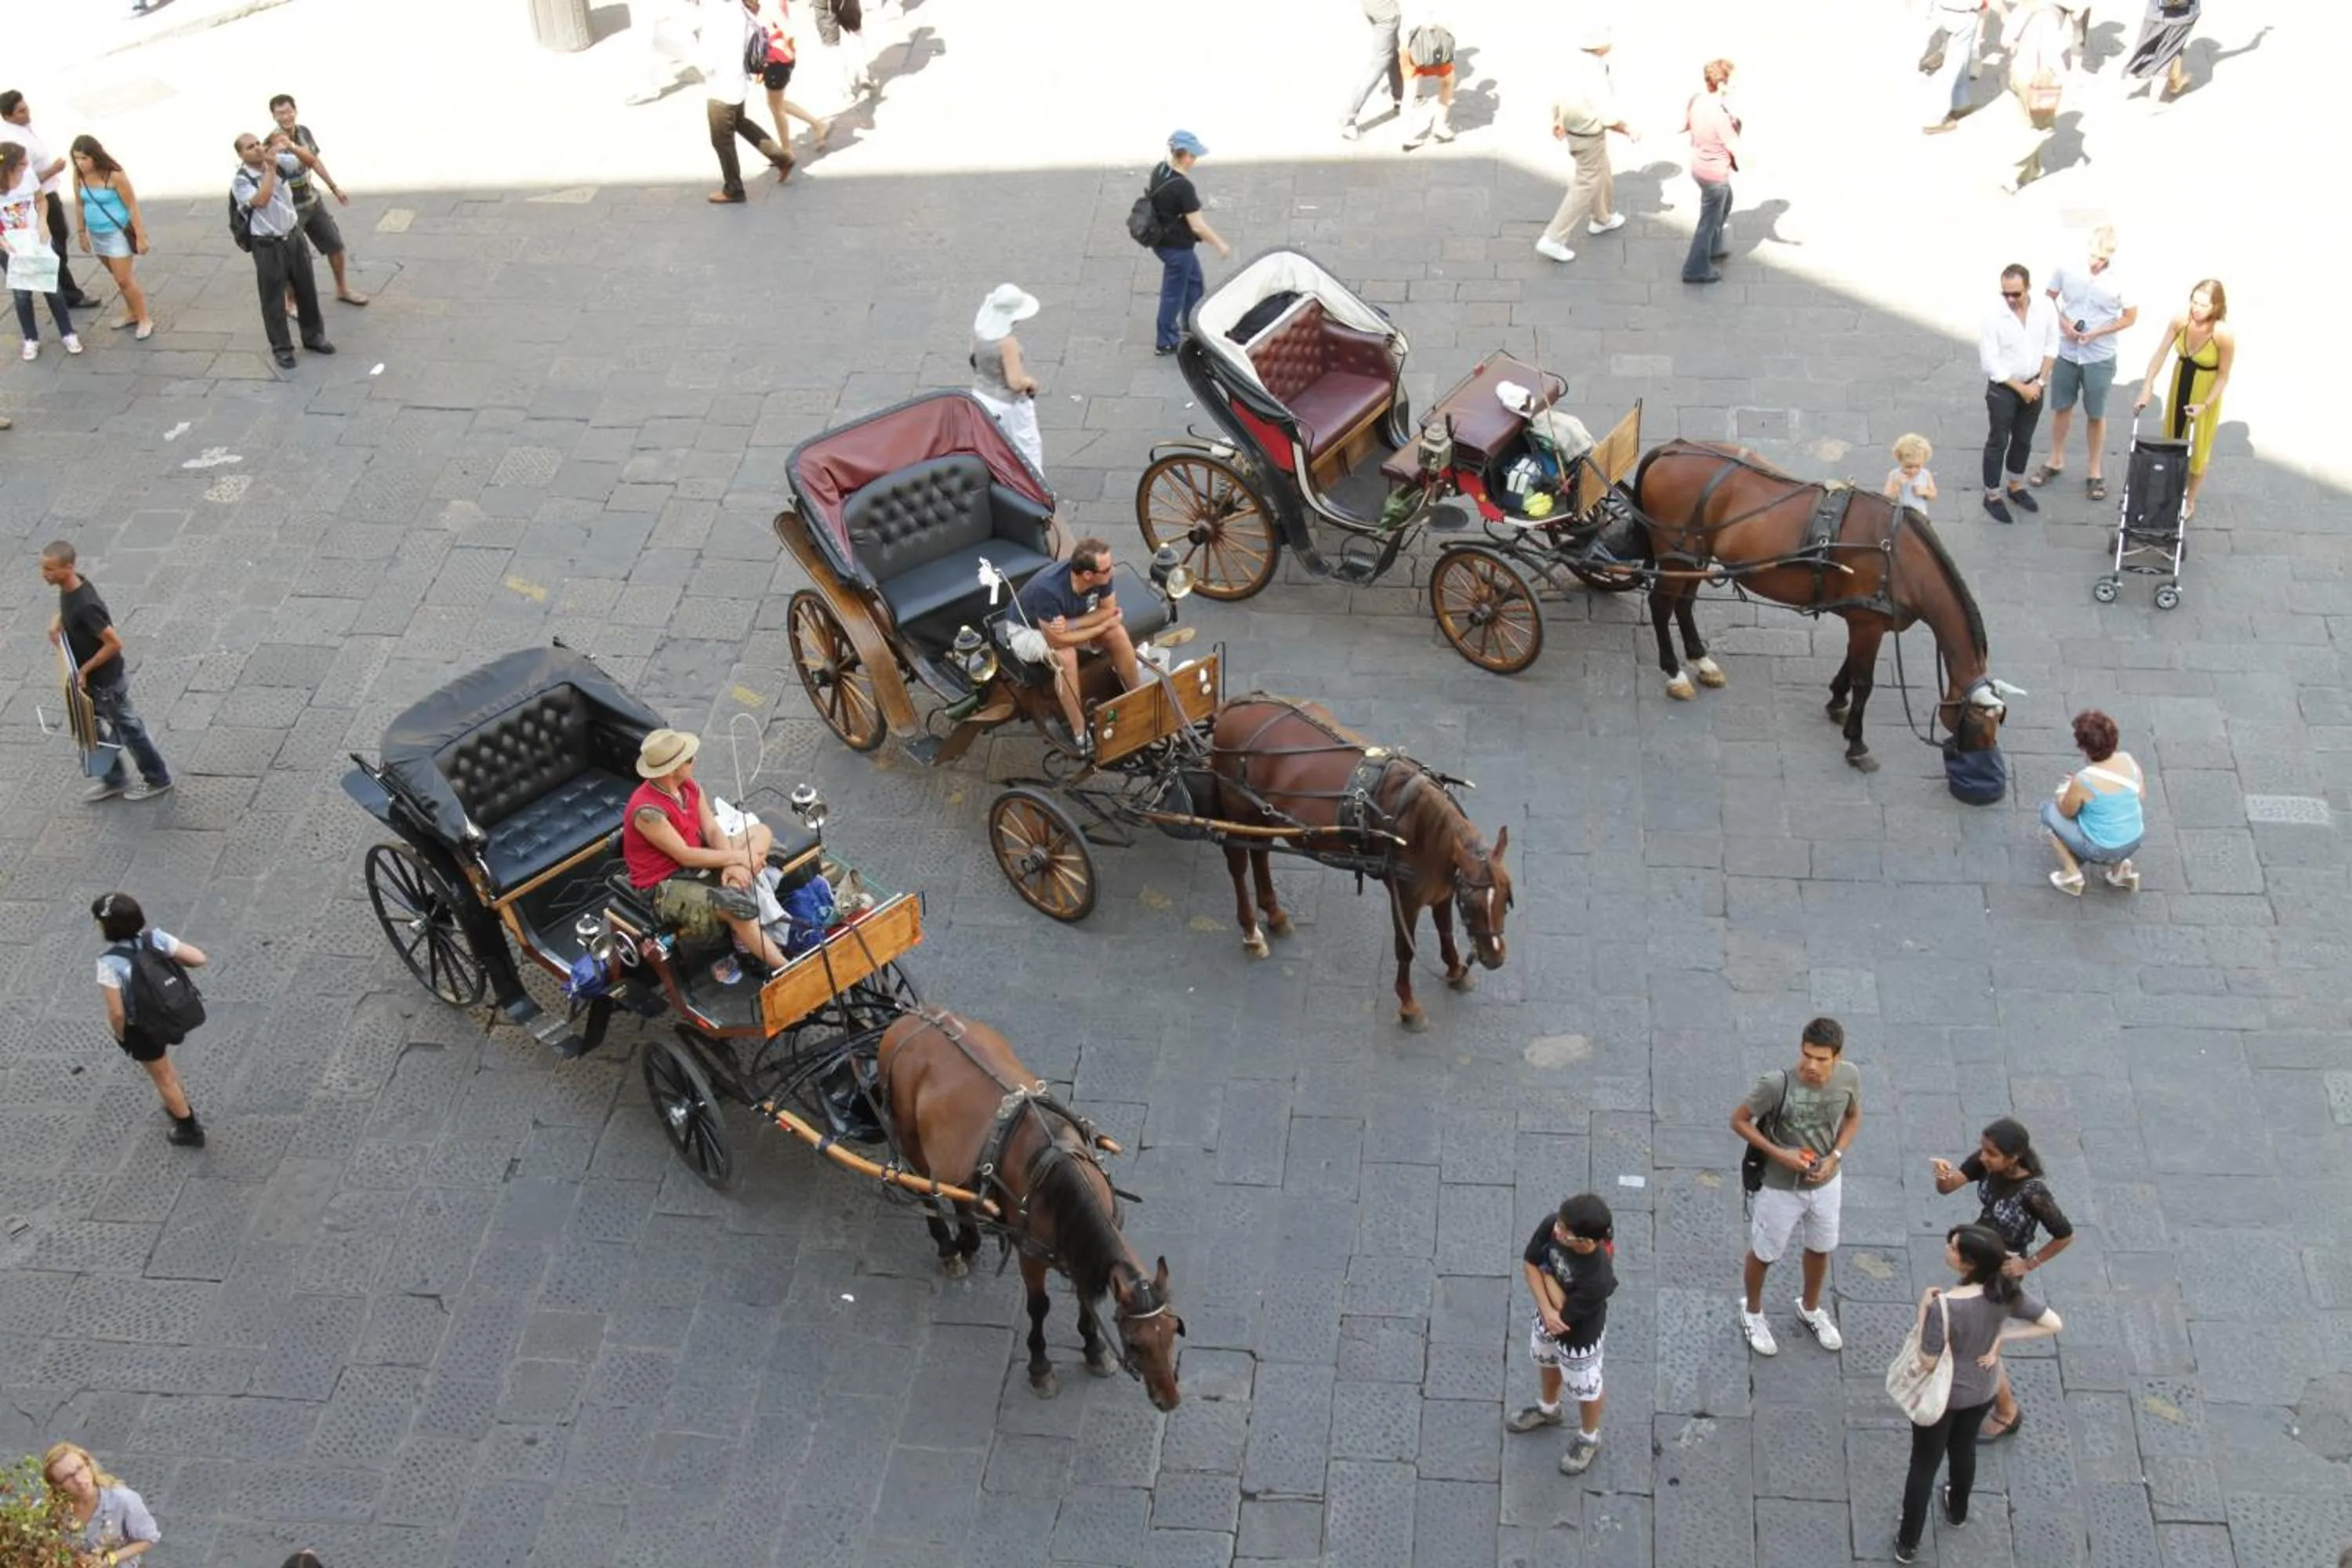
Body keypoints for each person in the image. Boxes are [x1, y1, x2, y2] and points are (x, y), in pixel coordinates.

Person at [1893, 1225, 2063, 1562]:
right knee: (1963, 1448)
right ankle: (1957, 1511)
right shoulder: (2005, 1290)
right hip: (1983, 1389)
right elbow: (2053, 1323)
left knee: (1923, 1465)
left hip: (1943, 1397)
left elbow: (1928, 1361)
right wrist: (2000, 1339)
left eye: (1954, 1247)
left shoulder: (1945, 1307)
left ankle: (1907, 1542)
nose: (1948, 1248)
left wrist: (1923, 1310)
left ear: (1968, 1265)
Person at [1930, 1118, 2074, 1440]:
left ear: (2015, 1157)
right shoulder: (1986, 1163)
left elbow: (2064, 1235)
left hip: (2001, 1270)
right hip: (1977, 1256)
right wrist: (1942, 1175)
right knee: (1977, 1339)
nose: (1983, 1157)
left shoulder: (2033, 1193)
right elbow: (1949, 1186)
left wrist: (2029, 1263)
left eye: (1992, 1154)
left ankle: (2007, 1411)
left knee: (1983, 1345)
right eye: (1983, 1150)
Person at [1732, 1016, 1861, 1356]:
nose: (1812, 1065)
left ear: (1838, 1055)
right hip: (1778, 1185)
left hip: (1826, 1180)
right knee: (1764, 1252)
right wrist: (1780, 1154)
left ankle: (1810, 1306)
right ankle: (1753, 1311)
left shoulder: (1849, 1077)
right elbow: (1739, 1120)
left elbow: (1853, 1116)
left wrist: (1834, 1157)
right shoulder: (1776, 1084)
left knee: (1821, 1248)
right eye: (1807, 1055)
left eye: (1822, 1058)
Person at [622, 728, 791, 979]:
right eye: (689, 759)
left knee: (761, 832)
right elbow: (685, 856)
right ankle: (785, 967)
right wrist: (736, 857)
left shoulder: (690, 787)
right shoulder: (647, 813)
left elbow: (711, 829)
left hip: (702, 856)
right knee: (736, 911)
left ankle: (734, 887)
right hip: (667, 882)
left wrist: (733, 867)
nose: (695, 761)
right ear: (671, 769)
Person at [43, 540, 172, 802]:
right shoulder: (72, 586)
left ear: (68, 568)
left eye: (50, 569)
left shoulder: (85, 605)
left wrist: (85, 670)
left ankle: (158, 778)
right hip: (91, 683)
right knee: (90, 727)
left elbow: (114, 643)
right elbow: (66, 609)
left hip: (105, 684)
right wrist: (57, 622)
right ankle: (113, 779)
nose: (44, 574)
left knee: (129, 730)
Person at [1505, 1192, 1618, 1476]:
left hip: (1580, 1336)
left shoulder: (1597, 1277)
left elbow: (1563, 1309)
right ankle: (1548, 1408)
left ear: (1586, 1241)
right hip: (1548, 1317)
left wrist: (1545, 1274)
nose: (1558, 1230)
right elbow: (1530, 1265)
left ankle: (1589, 1437)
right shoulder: (1554, 1223)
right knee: (1546, 1361)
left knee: (1586, 1385)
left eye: (1566, 1230)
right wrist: (1546, 1302)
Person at [90, 893, 209, 1148]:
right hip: (174, 1010)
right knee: (166, 1069)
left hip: (143, 1027)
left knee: (162, 1076)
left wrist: (121, 1035)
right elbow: (198, 958)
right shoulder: (155, 938)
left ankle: (187, 1126)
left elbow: (117, 1013)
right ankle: (178, 1102)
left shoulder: (109, 963)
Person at [2032, 227, 2136, 501]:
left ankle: (2094, 468)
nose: (2096, 262)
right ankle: (2055, 458)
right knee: (2061, 406)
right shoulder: (2067, 267)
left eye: (2102, 258)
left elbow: (2130, 316)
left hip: (2099, 353)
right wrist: (2064, 324)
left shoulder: (2122, 278)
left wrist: (2098, 332)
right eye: (2093, 255)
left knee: (2096, 413)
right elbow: (2048, 297)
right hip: (2067, 350)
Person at [1011, 537, 1142, 753]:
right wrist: (1099, 628)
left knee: (1116, 632)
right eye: (1108, 569)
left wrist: (1073, 623)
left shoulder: (1102, 574)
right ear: (1088, 575)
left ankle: (1138, 697)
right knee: (1066, 656)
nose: (1113, 572)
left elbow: (1108, 610)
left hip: (1068, 620)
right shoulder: (1048, 589)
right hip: (1027, 630)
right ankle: (1080, 733)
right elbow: (1057, 640)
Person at [231, 131, 334, 371]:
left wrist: (291, 147)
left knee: (306, 288)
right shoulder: (242, 181)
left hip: (293, 236)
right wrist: (269, 167)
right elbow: (262, 199)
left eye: (258, 143)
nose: (257, 148)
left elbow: (309, 162)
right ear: (241, 155)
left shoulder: (279, 161)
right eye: (249, 147)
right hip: (267, 244)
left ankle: (313, 337)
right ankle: (282, 348)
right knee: (273, 298)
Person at [2132, 278, 2232, 518]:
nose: (2196, 308)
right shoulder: (2180, 321)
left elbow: (2223, 376)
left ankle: (2190, 498)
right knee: (2173, 438)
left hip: (2205, 392)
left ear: (2216, 307)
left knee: (2198, 448)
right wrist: (2147, 385)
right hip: (2181, 384)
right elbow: (2160, 353)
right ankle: (2170, 489)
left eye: (2203, 305)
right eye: (2194, 302)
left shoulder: (2223, 335)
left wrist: (2205, 405)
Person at [1536, 24, 1631, 263]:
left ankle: (1602, 217)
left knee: (1602, 170)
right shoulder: (1593, 73)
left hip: (1576, 127)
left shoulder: (1575, 63)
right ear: (1601, 45)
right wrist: (1628, 129)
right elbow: (1607, 115)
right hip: (1587, 133)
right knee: (1586, 182)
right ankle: (1553, 238)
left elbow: (1557, 94)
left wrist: (1557, 117)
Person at [267, 94, 368, 307]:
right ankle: (290, 301)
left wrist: (334, 187)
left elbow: (314, 161)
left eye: (288, 111)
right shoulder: (272, 143)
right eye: (280, 113)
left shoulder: (303, 132)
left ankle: (342, 288)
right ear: (273, 116)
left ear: (295, 110)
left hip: (311, 200)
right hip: (290, 209)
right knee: (293, 259)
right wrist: (289, 148)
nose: (285, 117)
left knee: (335, 245)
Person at [1978, 263, 2058, 523]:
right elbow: (1990, 361)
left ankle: (2015, 485)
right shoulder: (1993, 315)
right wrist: (2021, 388)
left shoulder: (2045, 308)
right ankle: (1991, 494)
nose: (2011, 299)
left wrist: (2039, 383)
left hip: (2035, 383)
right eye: (2006, 294)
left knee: (2024, 438)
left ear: (2028, 288)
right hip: (2005, 387)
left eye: (2016, 293)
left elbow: (2052, 346)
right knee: (1998, 440)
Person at [0, 92, 94, 310]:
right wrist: (54, 170)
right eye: (21, 111)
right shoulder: (13, 140)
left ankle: (61, 289)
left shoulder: (23, 129)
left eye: (26, 108)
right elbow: (22, 179)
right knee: (55, 246)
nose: (27, 113)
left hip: (47, 194)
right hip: (39, 197)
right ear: (7, 116)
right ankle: (66, 293)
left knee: (59, 240)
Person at [1147, 131, 1232, 357]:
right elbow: (1197, 226)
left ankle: (1193, 324)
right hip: (1177, 248)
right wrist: (1220, 245)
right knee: (1173, 294)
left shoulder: (1160, 170)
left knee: (1194, 281)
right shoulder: (1183, 188)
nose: (1195, 160)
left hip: (1162, 241)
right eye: (1193, 156)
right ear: (1184, 156)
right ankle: (1165, 341)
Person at [2042, 707, 2143, 895]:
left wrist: (2062, 793)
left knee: (2048, 812)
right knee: (2115, 817)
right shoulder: (2128, 760)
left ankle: (2072, 875)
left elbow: (2067, 812)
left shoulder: (2084, 779)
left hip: (2102, 849)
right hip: (2134, 839)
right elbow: (2140, 795)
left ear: (2084, 747)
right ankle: (2119, 872)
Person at [705, 0, 795, 204]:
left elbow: (708, 57)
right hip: (737, 79)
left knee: (721, 139)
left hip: (722, 85)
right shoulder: (739, 7)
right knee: (739, 122)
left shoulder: (718, 11)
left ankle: (733, 189)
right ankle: (782, 158)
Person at [70, 138, 153, 340]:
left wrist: (140, 236)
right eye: (77, 159)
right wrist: (81, 233)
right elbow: (80, 204)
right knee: (117, 278)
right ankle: (131, 312)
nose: (81, 163)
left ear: (95, 156)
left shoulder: (114, 175)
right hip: (96, 233)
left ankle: (144, 318)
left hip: (116, 233)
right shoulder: (79, 175)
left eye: (84, 158)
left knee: (125, 280)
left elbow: (132, 205)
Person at [3, 140, 78, 361]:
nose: (27, 165)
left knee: (52, 287)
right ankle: (30, 338)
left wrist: (43, 222)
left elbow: (41, 200)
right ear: (9, 165)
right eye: (22, 163)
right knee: (22, 294)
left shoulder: (28, 176)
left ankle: (67, 333)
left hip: (36, 239)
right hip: (11, 245)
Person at [42, 1443, 162, 1566]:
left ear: (88, 1464)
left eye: (79, 1468)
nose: (78, 1480)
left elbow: (149, 1539)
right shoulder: (48, 1511)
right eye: (68, 1477)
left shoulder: (123, 1500)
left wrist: (111, 1558)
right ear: (57, 1486)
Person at [971, 283, 1044, 474]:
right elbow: (1015, 383)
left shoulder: (980, 334)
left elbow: (974, 360)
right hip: (1007, 404)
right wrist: (1030, 383)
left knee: (996, 447)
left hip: (981, 396)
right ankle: (1037, 493)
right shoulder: (1007, 343)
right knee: (1027, 447)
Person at [1681, 59, 1740, 285]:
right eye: (1732, 81)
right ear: (1722, 84)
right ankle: (1695, 269)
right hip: (1714, 174)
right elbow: (1734, 145)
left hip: (1699, 166)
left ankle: (1713, 247)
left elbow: (1685, 126)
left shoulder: (1697, 101)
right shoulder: (1719, 115)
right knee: (1708, 220)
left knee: (1725, 203)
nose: (1736, 85)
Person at [758, 3, 830, 154]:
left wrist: (784, 48)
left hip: (777, 61)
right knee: (776, 104)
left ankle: (787, 151)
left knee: (776, 107)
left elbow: (787, 28)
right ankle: (818, 125)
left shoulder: (768, 5)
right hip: (775, 60)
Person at [1340, 0, 1404, 140]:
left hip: (1372, 7)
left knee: (1391, 51)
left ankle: (1400, 97)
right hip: (1385, 12)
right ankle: (1348, 118)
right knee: (1380, 62)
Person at [1396, 5, 1457, 151]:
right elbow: (1437, 22)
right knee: (1447, 82)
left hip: (1408, 42)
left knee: (1410, 90)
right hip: (1432, 44)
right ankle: (1439, 126)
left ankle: (1407, 136)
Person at [1922, 0, 1987, 132]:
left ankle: (1960, 103)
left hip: (1943, 11)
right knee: (1953, 67)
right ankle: (1935, 119)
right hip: (1963, 15)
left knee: (1962, 61)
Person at [2124, 0, 2199, 100]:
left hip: (2155, 13)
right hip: (2184, 13)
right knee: (2169, 54)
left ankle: (2125, 92)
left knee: (2144, 51)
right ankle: (2153, 103)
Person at [1886, 434, 1939, 516]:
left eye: (1917, 467)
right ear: (1900, 461)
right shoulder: (1895, 475)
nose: (1913, 471)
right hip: (1901, 515)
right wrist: (1897, 485)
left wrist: (1925, 492)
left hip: (1920, 514)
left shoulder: (1925, 474)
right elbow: (1887, 497)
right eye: (1908, 467)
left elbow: (1933, 495)